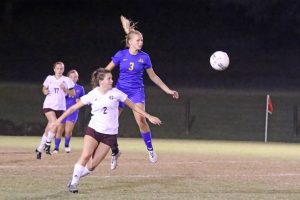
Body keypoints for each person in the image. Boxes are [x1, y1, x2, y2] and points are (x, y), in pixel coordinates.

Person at [50, 68, 162, 193]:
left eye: (111, 78)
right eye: (109, 78)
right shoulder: (93, 94)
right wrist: (58, 120)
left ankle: (74, 178)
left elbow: (134, 106)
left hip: (109, 135)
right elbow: (73, 108)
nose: (112, 80)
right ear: (101, 81)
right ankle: (74, 184)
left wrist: (149, 116)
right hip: (93, 130)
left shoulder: (117, 93)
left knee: (92, 166)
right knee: (86, 155)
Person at [105, 15, 179, 169]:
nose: (141, 42)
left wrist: (168, 90)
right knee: (111, 123)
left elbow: (153, 76)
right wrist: (103, 83)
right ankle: (114, 152)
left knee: (141, 121)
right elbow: (106, 70)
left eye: (142, 40)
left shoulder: (144, 57)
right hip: (120, 91)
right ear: (130, 42)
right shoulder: (121, 55)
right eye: (138, 40)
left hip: (136, 92)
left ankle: (151, 150)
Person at [35, 61, 75, 159]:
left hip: (60, 107)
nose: (59, 70)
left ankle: (40, 148)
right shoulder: (49, 78)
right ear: (54, 69)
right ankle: (48, 144)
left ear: (63, 69)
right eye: (57, 68)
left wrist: (65, 89)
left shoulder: (67, 80)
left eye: (61, 68)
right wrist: (45, 91)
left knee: (50, 126)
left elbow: (73, 94)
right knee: (54, 122)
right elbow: (44, 89)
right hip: (48, 105)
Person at [53, 69, 85, 154]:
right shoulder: (63, 86)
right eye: (71, 77)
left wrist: (80, 101)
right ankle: (56, 148)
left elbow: (83, 100)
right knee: (59, 129)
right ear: (68, 78)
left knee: (68, 131)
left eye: (75, 77)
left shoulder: (80, 88)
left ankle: (66, 144)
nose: (73, 78)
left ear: (77, 78)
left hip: (73, 112)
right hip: (62, 110)